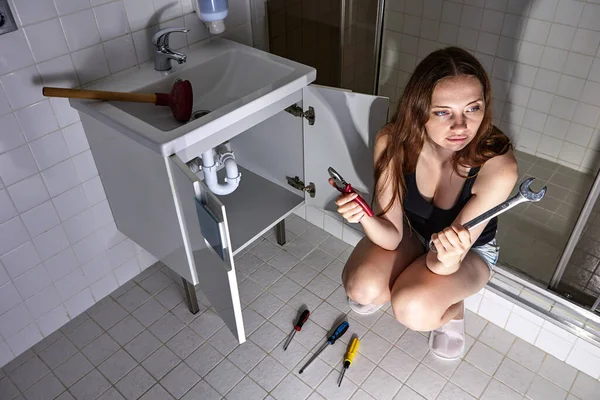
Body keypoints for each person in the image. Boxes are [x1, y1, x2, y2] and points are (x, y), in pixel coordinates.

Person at [331, 46, 517, 360]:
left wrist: (447, 258)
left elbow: (439, 262)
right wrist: (362, 214)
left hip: (467, 253)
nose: (461, 126)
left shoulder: (498, 167)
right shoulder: (392, 142)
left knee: (413, 309)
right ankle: (412, 275)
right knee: (361, 287)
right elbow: (390, 233)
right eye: (443, 112)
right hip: (413, 234)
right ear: (419, 110)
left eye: (473, 108)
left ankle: (453, 307)